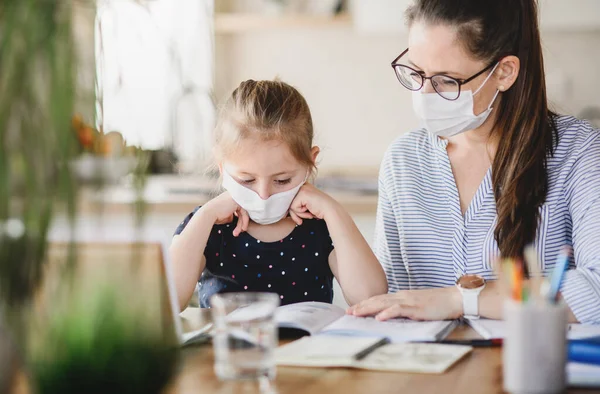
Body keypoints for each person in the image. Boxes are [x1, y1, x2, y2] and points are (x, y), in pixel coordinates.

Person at [347, 0, 600, 324]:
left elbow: (594, 290)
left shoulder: (577, 152)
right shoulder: (403, 161)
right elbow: (393, 301)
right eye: (416, 73)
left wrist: (461, 300)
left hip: (526, 369)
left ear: (504, 72)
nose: (425, 94)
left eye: (446, 81)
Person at [170, 79, 387, 310]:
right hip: (229, 347)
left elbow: (370, 298)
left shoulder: (321, 226)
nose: (264, 195)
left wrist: (333, 211)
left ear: (310, 163)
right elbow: (167, 302)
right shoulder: (209, 226)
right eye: (247, 180)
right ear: (222, 166)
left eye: (282, 180)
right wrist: (207, 215)